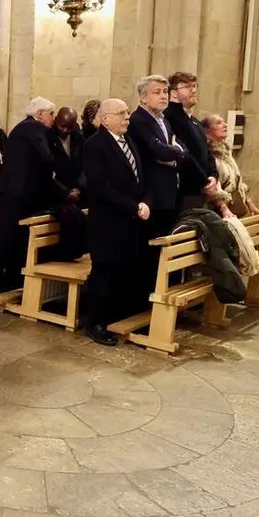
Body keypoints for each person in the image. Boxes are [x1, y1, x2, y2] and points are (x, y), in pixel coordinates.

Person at [82, 99, 150, 346]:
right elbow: (101, 187)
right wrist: (133, 207)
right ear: (104, 118)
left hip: (129, 219)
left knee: (122, 271)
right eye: (121, 113)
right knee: (103, 272)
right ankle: (95, 322)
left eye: (127, 112)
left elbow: (139, 178)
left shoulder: (129, 141)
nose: (127, 117)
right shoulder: (95, 145)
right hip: (107, 221)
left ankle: (114, 316)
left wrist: (145, 201)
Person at [0, 97, 57, 293]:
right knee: (7, 237)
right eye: (51, 114)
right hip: (14, 193)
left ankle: (11, 279)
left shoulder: (28, 128)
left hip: (20, 193)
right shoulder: (32, 128)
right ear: (40, 114)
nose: (53, 118)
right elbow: (47, 157)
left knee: (18, 237)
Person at [129, 75, 202, 239]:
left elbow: (184, 151)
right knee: (151, 248)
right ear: (143, 97)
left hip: (171, 192)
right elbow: (158, 151)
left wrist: (175, 152)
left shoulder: (165, 121)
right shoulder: (139, 120)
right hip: (153, 193)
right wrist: (176, 152)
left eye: (165, 91)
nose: (163, 96)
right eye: (157, 92)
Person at [165, 72, 219, 208]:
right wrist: (204, 182)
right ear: (174, 93)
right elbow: (184, 154)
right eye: (188, 87)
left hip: (200, 189)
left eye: (195, 86)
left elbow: (207, 152)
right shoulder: (169, 118)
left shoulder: (194, 121)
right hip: (184, 191)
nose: (194, 90)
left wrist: (213, 175)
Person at [202, 114, 259, 219]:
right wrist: (223, 208)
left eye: (224, 122)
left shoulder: (226, 152)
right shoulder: (206, 153)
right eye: (218, 123)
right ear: (207, 130)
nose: (225, 125)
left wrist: (249, 204)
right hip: (215, 212)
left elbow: (236, 181)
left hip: (231, 208)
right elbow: (210, 187)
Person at [50, 107, 84, 203]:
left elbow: (85, 164)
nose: (65, 130)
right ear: (56, 120)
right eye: (62, 126)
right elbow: (47, 172)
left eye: (70, 127)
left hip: (78, 191)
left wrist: (79, 187)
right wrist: (65, 192)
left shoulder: (78, 137)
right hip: (57, 194)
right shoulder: (48, 137)